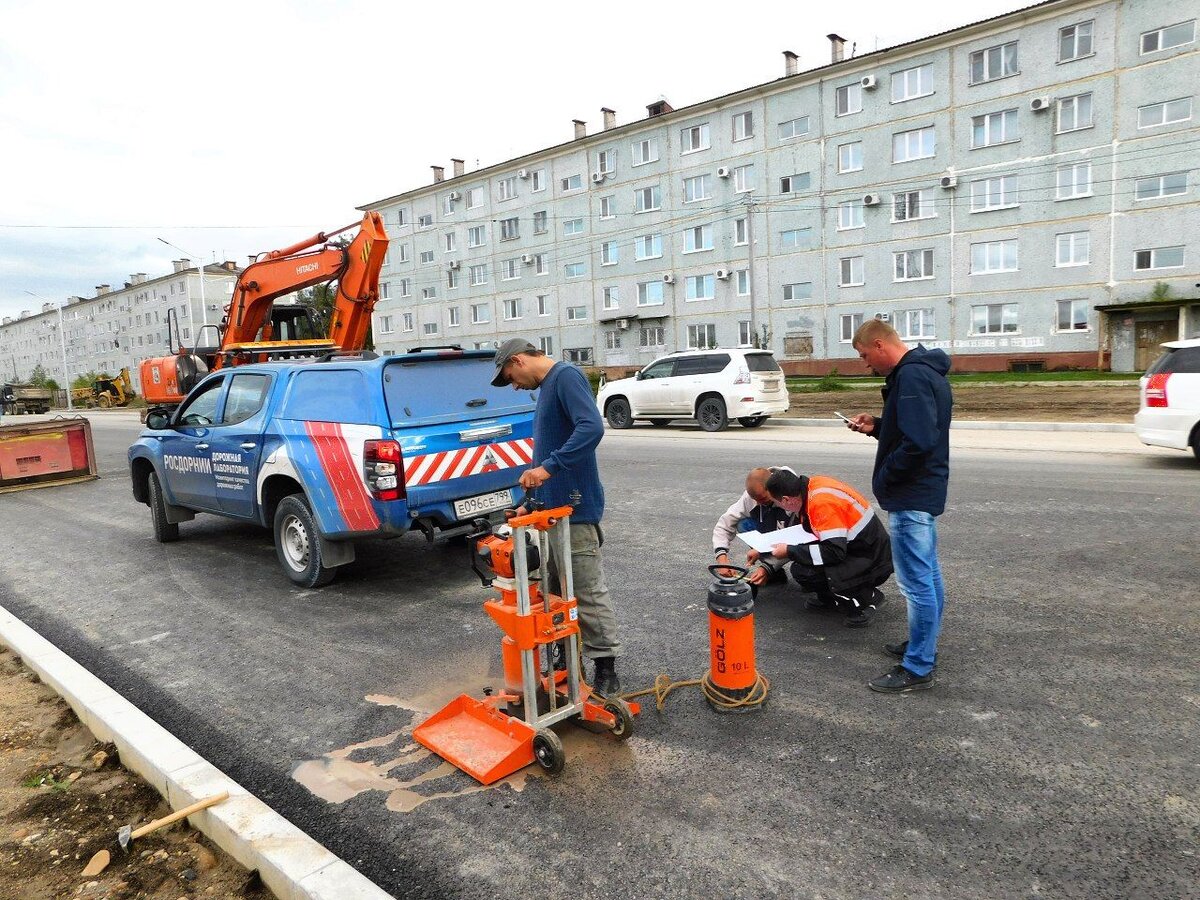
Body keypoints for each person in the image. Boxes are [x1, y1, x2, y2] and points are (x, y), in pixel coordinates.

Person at [491, 338, 624, 696]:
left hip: (575, 510)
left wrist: (549, 468)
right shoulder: (548, 389)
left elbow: (591, 428)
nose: (515, 386)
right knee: (552, 594)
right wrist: (526, 503)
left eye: (511, 378)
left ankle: (606, 666)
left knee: (585, 590)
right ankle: (567, 657)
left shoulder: (565, 377)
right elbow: (545, 451)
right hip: (548, 512)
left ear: (518, 361)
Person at [846, 319, 952, 693]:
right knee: (929, 576)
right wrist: (877, 426)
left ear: (879, 345)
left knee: (916, 584)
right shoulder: (921, 372)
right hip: (921, 490)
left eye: (863, 356)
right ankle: (923, 646)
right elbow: (913, 429)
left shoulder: (911, 378)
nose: (864, 364)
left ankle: (918, 666)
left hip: (911, 493)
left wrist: (888, 475)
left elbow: (919, 441)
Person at [764, 469, 893, 628]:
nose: (777, 506)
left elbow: (834, 552)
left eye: (776, 502)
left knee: (805, 571)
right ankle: (831, 597)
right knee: (804, 563)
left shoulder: (820, 504)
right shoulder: (813, 487)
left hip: (871, 559)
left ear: (786, 500)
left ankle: (864, 600)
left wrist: (790, 551)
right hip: (867, 549)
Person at [712, 467, 798, 592]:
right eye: (755, 500)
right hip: (773, 532)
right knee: (743, 524)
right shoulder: (752, 496)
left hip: (796, 538)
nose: (758, 503)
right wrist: (721, 558)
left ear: (773, 490)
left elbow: (795, 537)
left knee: (803, 572)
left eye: (763, 499)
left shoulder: (791, 495)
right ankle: (774, 572)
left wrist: (767, 566)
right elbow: (725, 523)